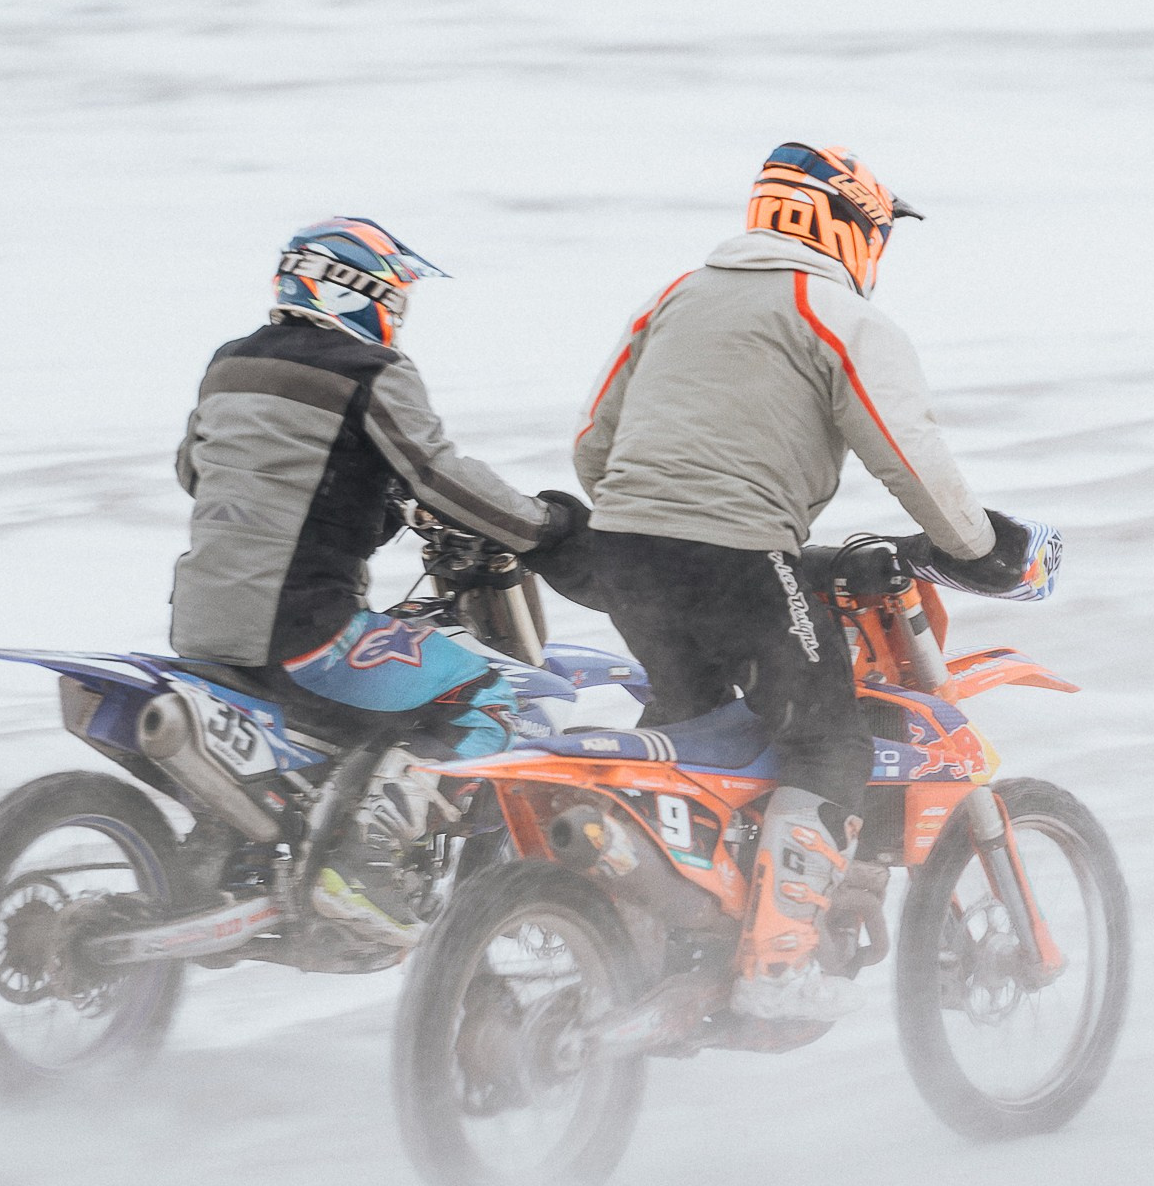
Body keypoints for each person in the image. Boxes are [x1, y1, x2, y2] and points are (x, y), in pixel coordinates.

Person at [574, 144, 1050, 1020]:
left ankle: (667, 930)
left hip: (622, 554)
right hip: (741, 554)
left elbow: (593, 446)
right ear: (847, 225)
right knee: (828, 742)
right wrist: (979, 547)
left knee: (699, 726)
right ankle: (775, 970)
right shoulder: (832, 312)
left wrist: (663, 518)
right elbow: (908, 454)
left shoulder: (673, 297)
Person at [170, 217, 586, 946]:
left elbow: (195, 470)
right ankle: (358, 858)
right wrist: (543, 527)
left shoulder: (227, 365)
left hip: (199, 629)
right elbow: (438, 471)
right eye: (395, 297)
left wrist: (362, 495)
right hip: (305, 633)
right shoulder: (368, 371)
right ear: (356, 292)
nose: (398, 317)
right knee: (491, 693)